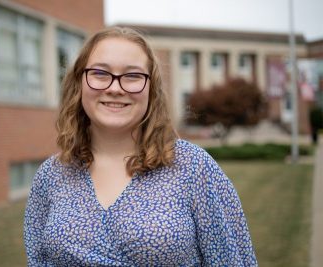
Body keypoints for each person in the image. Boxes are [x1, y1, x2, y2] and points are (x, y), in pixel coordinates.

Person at [24, 27, 258, 266]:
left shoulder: (194, 167)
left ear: (151, 90)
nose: (115, 88)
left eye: (132, 76)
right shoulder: (50, 175)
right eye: (100, 73)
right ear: (79, 83)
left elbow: (233, 260)